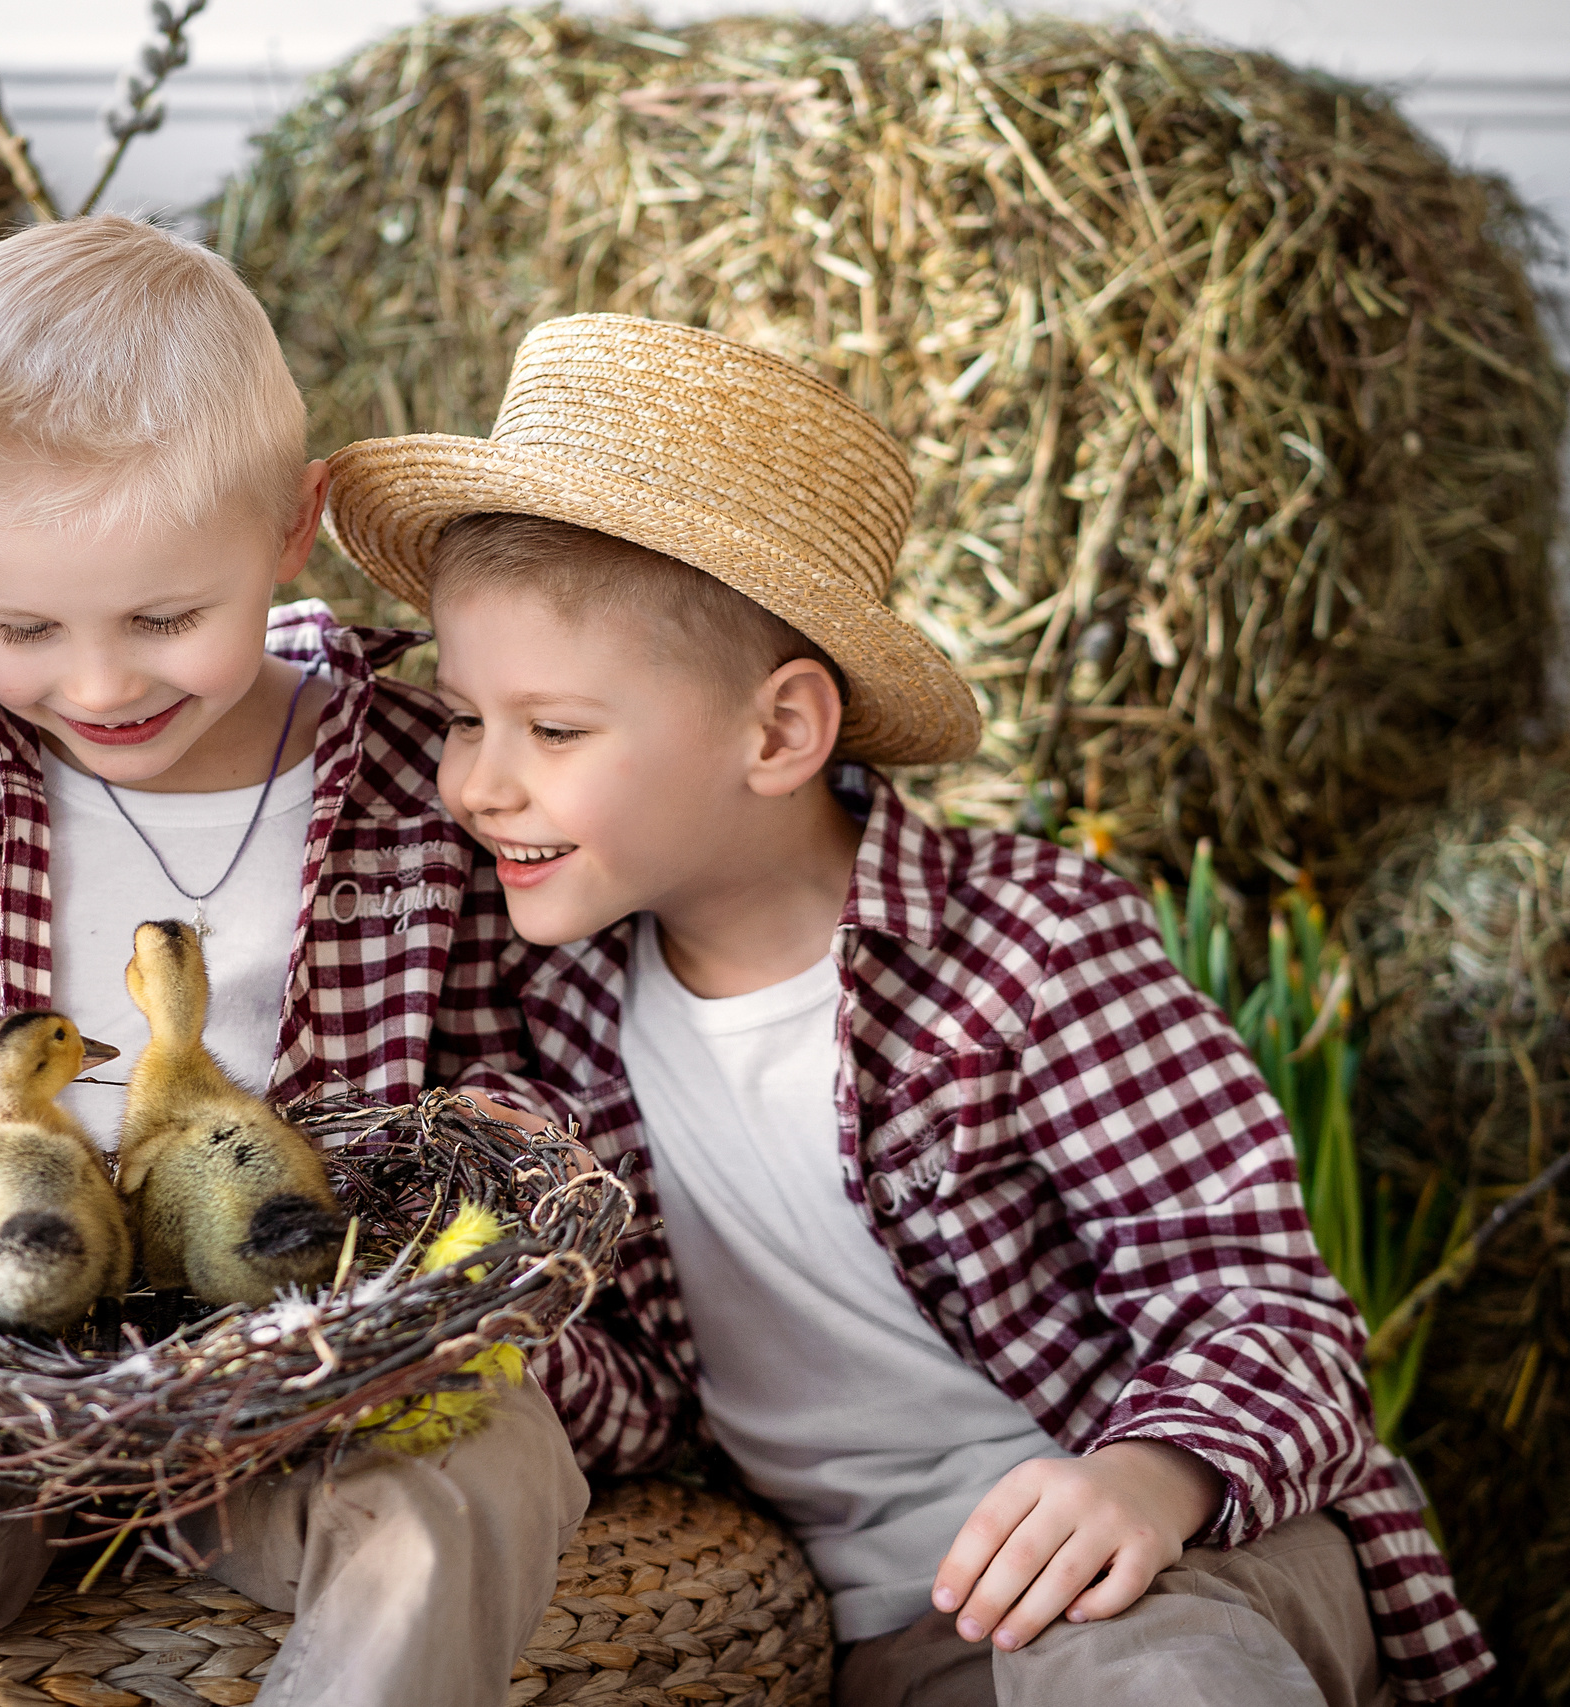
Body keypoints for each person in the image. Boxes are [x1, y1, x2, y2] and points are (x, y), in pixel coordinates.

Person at [319, 312, 1494, 1706]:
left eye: (553, 730)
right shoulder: (556, 1022)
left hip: (1183, 1552)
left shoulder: (1030, 952)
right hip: (895, 1631)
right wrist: (473, 1339)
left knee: (1143, 1680)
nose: (477, 785)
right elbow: (642, 1398)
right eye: (461, 717)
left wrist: (1150, 1476)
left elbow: (1272, 1316)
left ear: (780, 733)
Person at [0, 215, 591, 1707]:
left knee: (469, 1486)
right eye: (22, 625)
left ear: (294, 531)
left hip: (319, 1353)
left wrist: (490, 1154)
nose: (98, 684)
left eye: (168, 617)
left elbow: (505, 1048)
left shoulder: (424, 773)